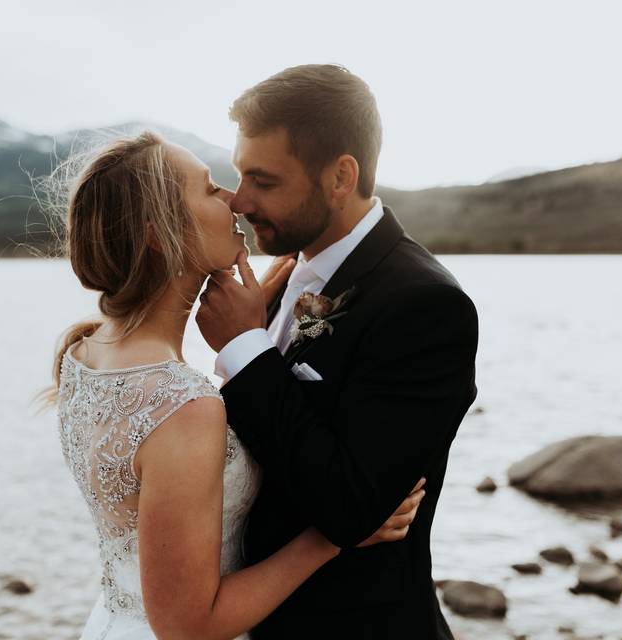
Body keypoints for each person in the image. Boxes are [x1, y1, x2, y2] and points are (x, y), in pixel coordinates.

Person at [41, 130, 426, 639]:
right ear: (161, 235)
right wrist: (335, 536)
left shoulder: (85, 352)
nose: (234, 199)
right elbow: (189, 626)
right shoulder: (183, 408)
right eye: (208, 189)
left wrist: (254, 333)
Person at [196, 64, 479, 638]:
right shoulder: (284, 278)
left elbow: (354, 507)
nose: (240, 201)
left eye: (265, 182)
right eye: (238, 177)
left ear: (341, 176)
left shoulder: (425, 304)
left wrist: (245, 348)